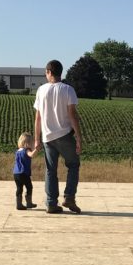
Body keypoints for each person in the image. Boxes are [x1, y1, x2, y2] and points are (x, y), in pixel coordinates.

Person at [33, 60, 82, 214]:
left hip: (48, 137)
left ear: (49, 72)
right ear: (61, 72)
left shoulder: (41, 90)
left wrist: (36, 139)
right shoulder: (68, 90)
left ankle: (51, 203)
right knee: (73, 165)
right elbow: (72, 115)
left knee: (50, 170)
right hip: (65, 135)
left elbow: (38, 118)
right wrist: (79, 138)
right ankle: (69, 198)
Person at [12, 132, 37, 210]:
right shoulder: (26, 150)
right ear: (28, 143)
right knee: (29, 187)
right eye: (32, 143)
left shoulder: (18, 151)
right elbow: (31, 155)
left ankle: (19, 204)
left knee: (19, 188)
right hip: (24, 173)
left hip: (16, 173)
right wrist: (37, 149)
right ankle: (29, 203)